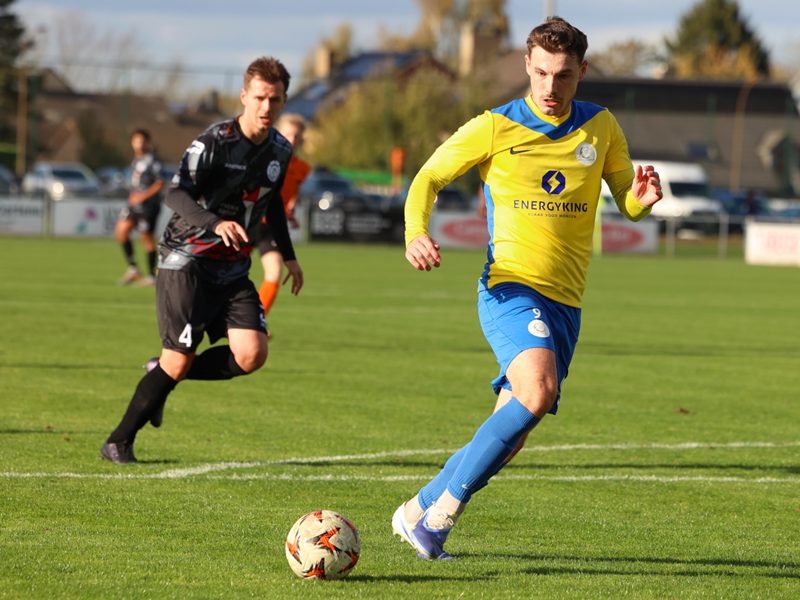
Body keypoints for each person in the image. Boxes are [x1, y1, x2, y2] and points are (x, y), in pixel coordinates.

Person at [392, 17, 663, 560]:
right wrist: (416, 232)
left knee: (510, 431)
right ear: (526, 66)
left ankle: (415, 509)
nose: (550, 87)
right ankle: (440, 517)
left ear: (581, 72)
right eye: (540, 73)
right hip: (509, 286)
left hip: (566, 302)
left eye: (563, 76)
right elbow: (428, 178)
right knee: (537, 394)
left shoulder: (601, 127)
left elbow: (626, 205)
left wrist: (640, 199)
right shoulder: (495, 126)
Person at [100, 56, 304, 464]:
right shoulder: (216, 141)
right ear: (244, 96)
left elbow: (274, 206)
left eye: (276, 99)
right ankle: (118, 442)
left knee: (252, 354)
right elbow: (175, 194)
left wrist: (290, 255)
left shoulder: (280, 149)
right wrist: (214, 223)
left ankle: (160, 373)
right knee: (178, 361)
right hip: (185, 260)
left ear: (283, 101)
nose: (267, 107)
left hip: (231, 269)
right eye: (260, 97)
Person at [257, 113, 311, 330]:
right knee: (226, 271)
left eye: (296, 136)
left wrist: (289, 210)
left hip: (272, 226)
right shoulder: (265, 158)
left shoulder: (302, 168)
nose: (291, 139)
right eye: (287, 134)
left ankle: (255, 322)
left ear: (301, 140)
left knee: (275, 273)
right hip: (249, 222)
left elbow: (291, 191)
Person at [116, 129, 165, 287]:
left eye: (143, 140)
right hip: (134, 205)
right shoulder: (136, 160)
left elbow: (160, 182)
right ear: (132, 143)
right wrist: (133, 195)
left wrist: (142, 196)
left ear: (147, 142)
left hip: (149, 205)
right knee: (121, 231)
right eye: (137, 140)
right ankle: (133, 269)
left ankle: (152, 276)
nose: (140, 144)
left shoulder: (152, 160)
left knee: (146, 237)